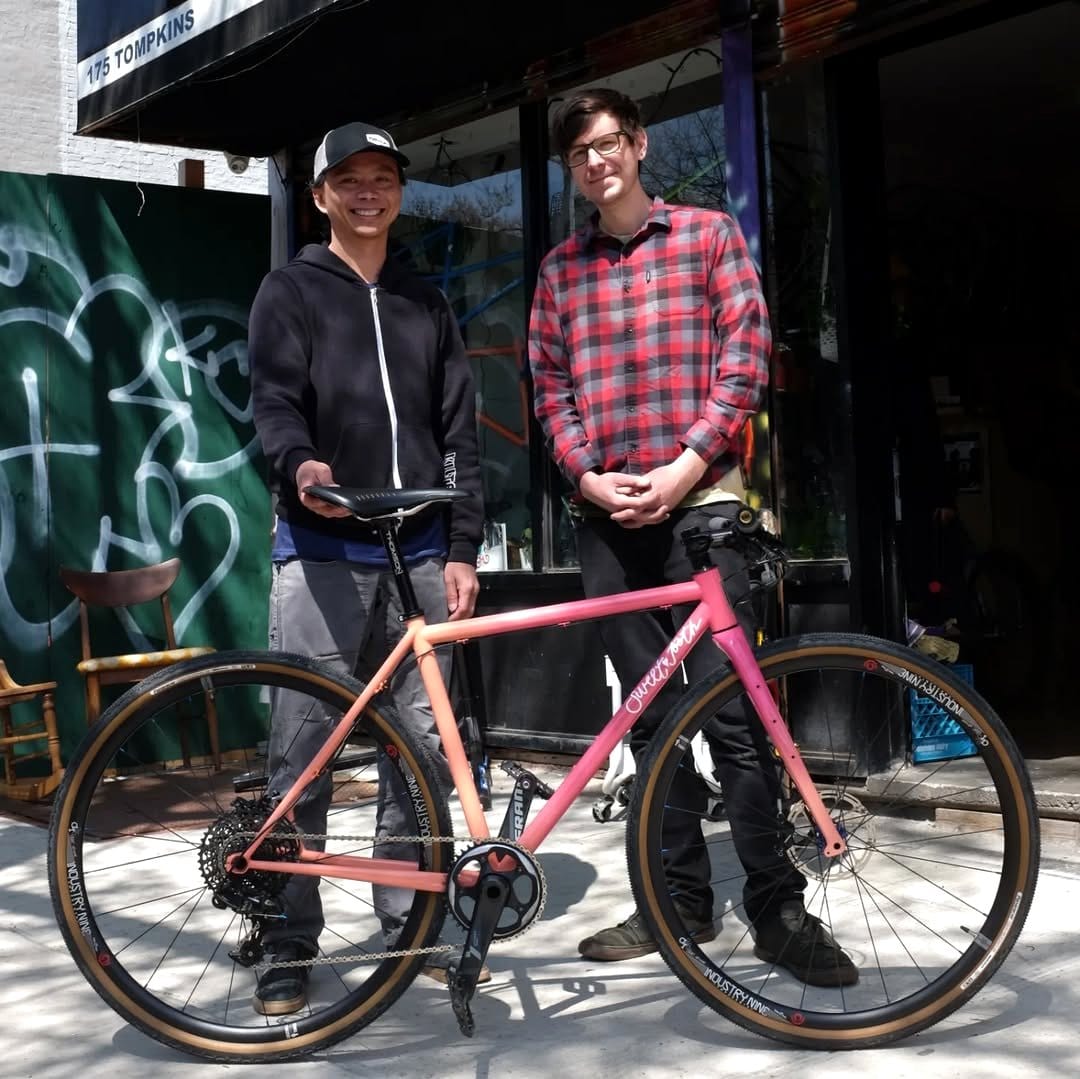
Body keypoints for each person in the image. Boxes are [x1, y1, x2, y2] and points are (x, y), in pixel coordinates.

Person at [527, 88, 857, 986]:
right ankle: (677, 903)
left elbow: (744, 361)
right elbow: (549, 389)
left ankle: (777, 907)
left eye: (607, 144)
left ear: (637, 145)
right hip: (608, 522)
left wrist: (685, 466)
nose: (597, 162)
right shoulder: (560, 272)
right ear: (572, 170)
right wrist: (587, 474)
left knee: (740, 719)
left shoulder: (709, 237)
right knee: (649, 723)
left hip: (704, 510)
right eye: (579, 154)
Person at [248, 120, 485, 1015]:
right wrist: (300, 465)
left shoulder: (428, 302)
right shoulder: (290, 289)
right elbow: (273, 401)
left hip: (423, 552)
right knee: (302, 754)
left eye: (383, 177)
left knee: (418, 756)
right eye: (348, 179)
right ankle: (288, 937)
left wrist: (464, 545)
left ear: (399, 192)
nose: (368, 192)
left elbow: (461, 430)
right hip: (322, 551)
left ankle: (408, 923)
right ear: (319, 196)